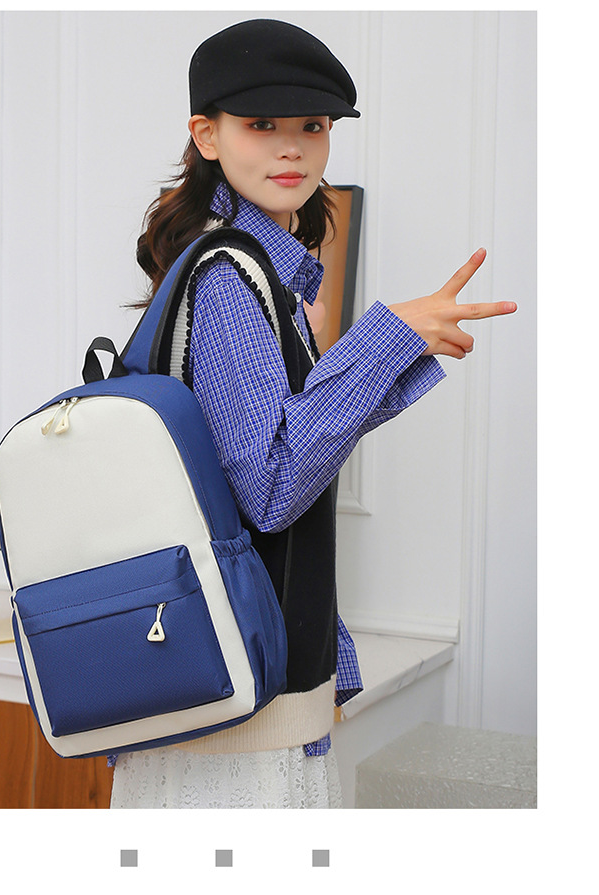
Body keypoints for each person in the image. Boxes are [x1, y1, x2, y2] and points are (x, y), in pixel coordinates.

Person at [108, 18, 516, 809]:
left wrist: (389, 351)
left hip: (226, 692)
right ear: (207, 135)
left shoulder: (248, 267)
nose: (291, 147)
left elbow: (283, 444)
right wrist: (387, 336)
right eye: (262, 125)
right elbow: (271, 488)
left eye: (313, 126)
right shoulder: (228, 277)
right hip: (237, 726)